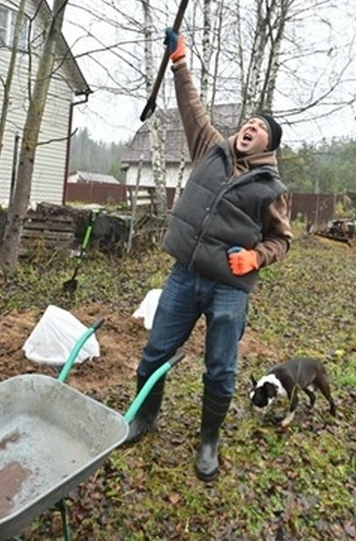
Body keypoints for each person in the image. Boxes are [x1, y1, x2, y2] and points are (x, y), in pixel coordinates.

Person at [125, 27, 294, 481]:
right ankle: (144, 418)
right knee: (155, 351)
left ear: (268, 146)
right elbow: (191, 106)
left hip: (229, 290)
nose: (249, 129)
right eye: (248, 123)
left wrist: (257, 257)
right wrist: (180, 61)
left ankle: (209, 440)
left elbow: (282, 239)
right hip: (184, 276)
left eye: (259, 129)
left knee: (220, 368)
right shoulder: (210, 150)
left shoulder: (271, 188)